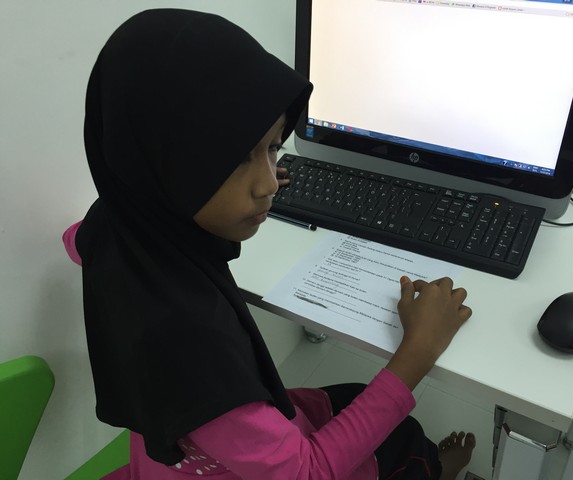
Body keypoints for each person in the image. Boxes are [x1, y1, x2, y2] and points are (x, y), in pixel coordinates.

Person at [63, 8, 475, 480]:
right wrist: (418, 350)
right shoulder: (199, 359)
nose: (269, 184)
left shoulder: (113, 223)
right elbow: (308, 473)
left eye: (274, 146)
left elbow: (74, 240)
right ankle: (437, 468)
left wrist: (245, 169)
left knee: (359, 399)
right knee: (405, 440)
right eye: (234, 159)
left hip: (169, 460)